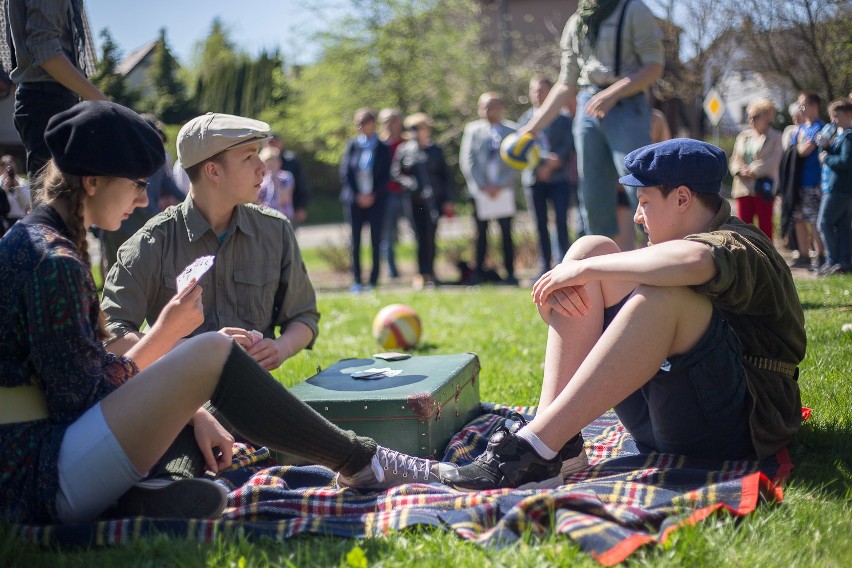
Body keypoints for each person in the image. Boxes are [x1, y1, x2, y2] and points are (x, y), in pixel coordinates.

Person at [0, 100, 443, 525]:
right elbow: (81, 397)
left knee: (208, 357)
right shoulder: (54, 261)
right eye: (137, 184)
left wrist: (185, 393)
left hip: (38, 462)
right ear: (92, 182)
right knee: (211, 350)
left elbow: (86, 381)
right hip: (35, 481)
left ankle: (156, 490)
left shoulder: (35, 240)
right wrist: (173, 343)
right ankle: (365, 463)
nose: (141, 199)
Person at [440, 139, 805, 491]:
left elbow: (693, 259)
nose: (636, 216)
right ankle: (556, 444)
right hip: (673, 415)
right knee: (591, 248)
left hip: (740, 426)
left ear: (682, 198)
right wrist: (572, 284)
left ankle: (535, 446)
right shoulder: (685, 238)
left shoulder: (740, 243)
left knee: (660, 293)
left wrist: (586, 273)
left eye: (644, 202)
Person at [102, 112, 319, 373]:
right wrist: (195, 350)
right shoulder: (151, 242)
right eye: (249, 157)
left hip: (254, 394)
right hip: (177, 400)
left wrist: (281, 348)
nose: (262, 167)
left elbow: (303, 316)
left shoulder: (275, 230)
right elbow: (112, 336)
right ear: (213, 171)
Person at [512, 0, 664, 239]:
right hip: (587, 106)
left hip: (626, 104)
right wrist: (530, 130)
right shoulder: (576, 21)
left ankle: (662, 257)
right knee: (592, 196)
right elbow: (566, 84)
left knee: (640, 185)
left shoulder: (634, 9)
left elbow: (654, 66)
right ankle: (603, 267)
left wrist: (614, 93)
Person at [1, 0, 108, 181]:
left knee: (57, 200)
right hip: (49, 99)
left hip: (44, 99)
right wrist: (103, 103)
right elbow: (46, 52)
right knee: (56, 202)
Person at [99, 114, 184, 271]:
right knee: (116, 273)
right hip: (122, 228)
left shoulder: (158, 160)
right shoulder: (134, 161)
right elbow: (142, 202)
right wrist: (160, 219)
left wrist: (190, 204)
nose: (159, 148)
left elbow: (168, 184)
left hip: (144, 227)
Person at [459, 92, 520, 285]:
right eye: (482, 107)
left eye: (490, 106)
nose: (485, 111)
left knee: (506, 233)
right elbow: (467, 160)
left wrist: (501, 184)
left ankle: (510, 273)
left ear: (500, 108)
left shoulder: (512, 130)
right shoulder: (473, 130)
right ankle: (479, 272)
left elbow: (517, 162)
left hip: (504, 190)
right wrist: (482, 186)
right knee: (481, 233)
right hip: (481, 191)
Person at [517, 77, 575, 277]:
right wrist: (542, 161)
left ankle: (563, 265)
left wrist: (555, 162)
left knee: (561, 222)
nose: (537, 94)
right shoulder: (525, 120)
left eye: (541, 90)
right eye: (534, 90)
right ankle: (544, 266)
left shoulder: (563, 118)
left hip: (559, 179)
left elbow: (569, 144)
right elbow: (520, 147)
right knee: (540, 224)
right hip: (534, 180)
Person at [392, 112, 455, 289]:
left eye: (418, 128)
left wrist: (447, 200)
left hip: (433, 200)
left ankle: (432, 272)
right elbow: (395, 174)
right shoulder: (404, 150)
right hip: (413, 201)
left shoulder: (435, 150)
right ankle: (421, 273)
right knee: (419, 236)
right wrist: (411, 184)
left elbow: (445, 177)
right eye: (411, 128)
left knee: (431, 236)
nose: (415, 132)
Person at [340, 108, 391, 292]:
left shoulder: (382, 147)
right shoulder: (353, 145)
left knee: (376, 239)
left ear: (372, 124)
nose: (360, 127)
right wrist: (358, 195)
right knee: (355, 241)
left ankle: (374, 279)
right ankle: (357, 280)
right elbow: (346, 173)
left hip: (376, 200)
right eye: (358, 124)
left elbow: (386, 174)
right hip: (355, 201)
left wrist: (372, 194)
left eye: (363, 123)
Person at [729, 98, 783, 241]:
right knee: (742, 229)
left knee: (765, 228)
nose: (751, 120)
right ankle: (746, 259)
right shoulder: (743, 136)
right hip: (742, 186)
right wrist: (739, 170)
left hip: (762, 187)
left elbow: (773, 161)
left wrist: (753, 170)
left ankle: (767, 260)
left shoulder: (776, 137)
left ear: (767, 117)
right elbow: (734, 159)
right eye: (749, 116)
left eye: (755, 116)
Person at [788, 92, 826, 269]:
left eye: (803, 105)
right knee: (798, 218)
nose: (800, 109)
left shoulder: (820, 128)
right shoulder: (801, 129)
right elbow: (794, 148)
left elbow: (804, 151)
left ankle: (820, 256)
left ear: (814, 106)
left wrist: (798, 149)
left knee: (814, 220)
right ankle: (803, 255)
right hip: (798, 183)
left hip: (813, 183)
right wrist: (798, 149)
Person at [815, 98, 852, 275]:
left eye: (837, 116)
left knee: (824, 222)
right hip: (839, 188)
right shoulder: (841, 136)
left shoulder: (848, 137)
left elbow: (846, 162)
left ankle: (832, 260)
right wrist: (828, 148)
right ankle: (844, 262)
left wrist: (826, 158)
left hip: (839, 188)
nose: (834, 120)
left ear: (849, 115)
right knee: (843, 225)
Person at [378, 108, 409, 280]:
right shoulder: (378, 144)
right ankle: (392, 270)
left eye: (394, 120)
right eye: (386, 121)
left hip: (406, 193)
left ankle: (422, 270)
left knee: (416, 230)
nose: (390, 125)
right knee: (387, 234)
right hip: (387, 195)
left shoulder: (407, 142)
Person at [267, 134, 309, 226]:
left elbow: (301, 184)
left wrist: (301, 206)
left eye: (274, 142)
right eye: (270, 142)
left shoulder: (291, 160)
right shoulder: (262, 160)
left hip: (288, 208)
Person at [256, 145, 296, 219]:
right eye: (267, 162)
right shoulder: (262, 181)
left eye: (273, 161)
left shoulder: (286, 177)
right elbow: (257, 201)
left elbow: (284, 198)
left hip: (285, 217)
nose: (270, 164)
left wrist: (274, 179)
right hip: (268, 219)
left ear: (279, 162)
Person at [0, 154, 31, 236]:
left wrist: (18, 188)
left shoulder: (23, 183)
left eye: (12, 167)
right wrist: (5, 190)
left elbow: (27, 206)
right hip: (3, 221)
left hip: (20, 220)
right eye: (7, 167)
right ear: (1, 169)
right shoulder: (0, 184)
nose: (10, 170)